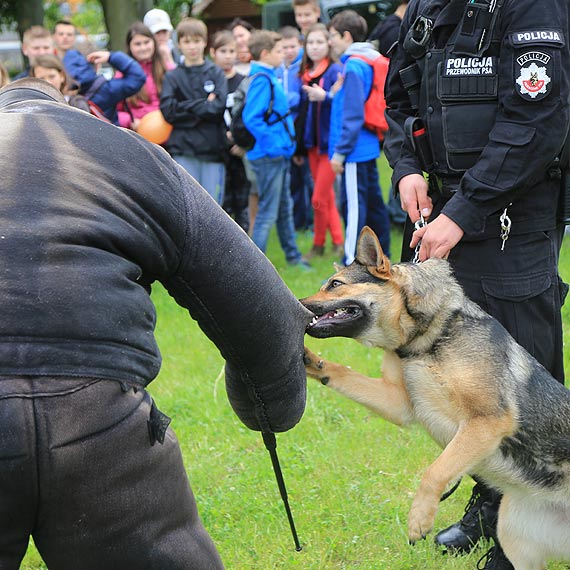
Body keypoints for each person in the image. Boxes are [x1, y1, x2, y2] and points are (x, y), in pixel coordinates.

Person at [0, 77, 312, 570]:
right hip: (97, 413)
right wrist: (271, 408)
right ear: (74, 107)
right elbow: (259, 300)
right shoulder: (128, 153)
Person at [383, 0, 570, 567]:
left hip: (511, 212)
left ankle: (541, 520)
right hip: (439, 213)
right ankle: (490, 503)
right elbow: (400, 98)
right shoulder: (428, 6)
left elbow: (537, 121)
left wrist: (464, 211)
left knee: (526, 376)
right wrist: (406, 166)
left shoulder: (531, 6)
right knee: (457, 372)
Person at [328, 10, 391, 264]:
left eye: (332, 36)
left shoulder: (353, 65)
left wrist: (340, 153)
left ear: (346, 35)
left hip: (353, 150)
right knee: (375, 206)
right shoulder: (366, 61)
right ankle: (384, 258)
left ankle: (347, 266)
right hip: (367, 147)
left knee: (354, 208)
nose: (330, 41)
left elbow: (352, 114)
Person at [243, 30, 309, 268]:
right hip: (269, 156)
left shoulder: (267, 75)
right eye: (279, 50)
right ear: (265, 53)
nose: (283, 54)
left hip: (277, 154)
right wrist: (275, 146)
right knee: (268, 212)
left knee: (284, 209)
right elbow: (252, 118)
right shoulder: (261, 78)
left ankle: (293, 257)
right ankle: (254, 267)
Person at [160, 18, 227, 205]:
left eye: (196, 41)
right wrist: (202, 104)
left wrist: (186, 105)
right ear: (179, 44)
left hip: (213, 150)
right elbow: (169, 111)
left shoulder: (216, 73)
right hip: (184, 149)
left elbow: (217, 109)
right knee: (188, 205)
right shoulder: (173, 76)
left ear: (205, 42)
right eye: (187, 42)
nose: (192, 47)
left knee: (214, 207)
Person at [299, 23, 344, 258]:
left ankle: (329, 242)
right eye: (310, 43)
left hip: (330, 145)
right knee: (324, 198)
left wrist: (325, 96)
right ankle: (327, 244)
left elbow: (343, 102)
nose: (314, 47)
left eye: (319, 42)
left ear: (328, 44)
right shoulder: (305, 71)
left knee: (318, 197)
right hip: (312, 144)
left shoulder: (336, 70)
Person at [53, 20, 146, 125]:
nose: (65, 37)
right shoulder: (106, 89)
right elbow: (137, 77)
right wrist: (111, 57)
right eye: (61, 34)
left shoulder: (54, 89)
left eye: (69, 34)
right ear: (97, 65)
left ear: (61, 74)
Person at [210, 29, 250, 232]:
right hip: (217, 147)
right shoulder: (210, 81)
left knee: (243, 194)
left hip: (240, 148)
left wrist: (243, 143)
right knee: (221, 196)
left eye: (231, 51)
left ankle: (245, 235)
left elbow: (249, 115)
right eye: (223, 51)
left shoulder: (244, 81)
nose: (228, 56)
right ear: (213, 53)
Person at [276, 25, 314, 233]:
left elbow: (299, 99)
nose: (289, 51)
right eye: (284, 47)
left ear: (299, 46)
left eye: (292, 46)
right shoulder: (278, 69)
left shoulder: (302, 69)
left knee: (307, 180)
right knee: (293, 182)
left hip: (300, 131)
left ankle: (310, 222)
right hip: (284, 134)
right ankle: (297, 221)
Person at [116, 22, 171, 132]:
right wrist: (130, 121)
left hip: (169, 133)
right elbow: (113, 110)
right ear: (130, 47)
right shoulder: (122, 75)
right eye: (138, 44)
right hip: (138, 136)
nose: (143, 47)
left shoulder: (168, 69)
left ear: (154, 43)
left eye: (146, 42)